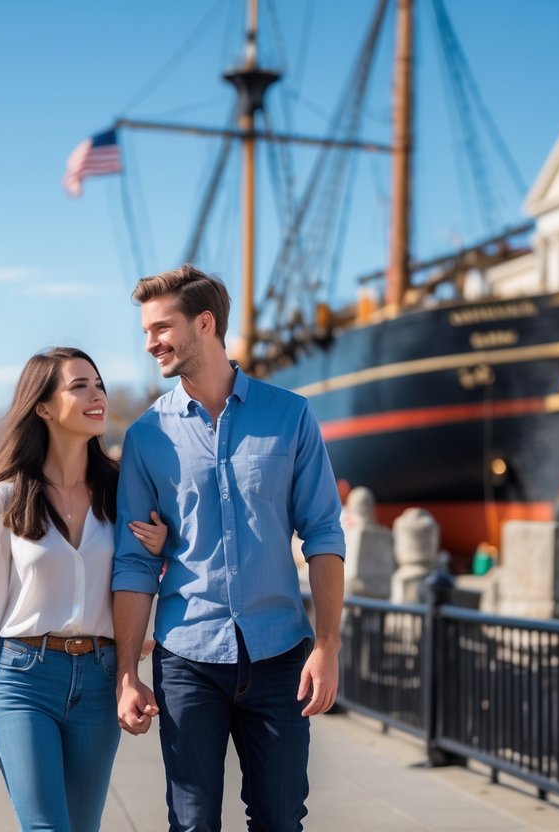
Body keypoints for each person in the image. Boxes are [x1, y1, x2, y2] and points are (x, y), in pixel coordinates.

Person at [112, 264, 347, 831]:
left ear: (206, 323)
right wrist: (126, 673)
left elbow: (323, 533)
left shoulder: (290, 415)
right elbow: (134, 561)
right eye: (146, 331)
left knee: (280, 819)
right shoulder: (147, 435)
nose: (150, 344)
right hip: (187, 657)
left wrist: (328, 645)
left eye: (161, 328)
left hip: (280, 655)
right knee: (191, 822)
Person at [0, 347, 166, 832]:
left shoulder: (122, 489)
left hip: (98, 679)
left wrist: (164, 549)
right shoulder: (5, 498)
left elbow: (145, 576)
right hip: (24, 680)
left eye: (99, 384)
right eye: (79, 386)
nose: (97, 396)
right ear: (43, 407)